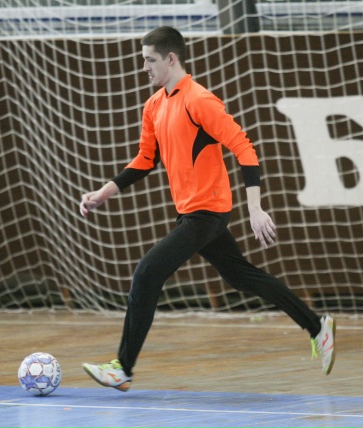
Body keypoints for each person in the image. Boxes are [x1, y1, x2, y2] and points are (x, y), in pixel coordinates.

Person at [79, 26, 335, 392]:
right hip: (190, 211)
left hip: (208, 211)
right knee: (241, 276)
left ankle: (122, 368)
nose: (144, 67)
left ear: (171, 59)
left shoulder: (200, 100)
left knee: (147, 273)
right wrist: (105, 192)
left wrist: (255, 208)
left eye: (150, 60)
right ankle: (317, 325)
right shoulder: (154, 105)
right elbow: (145, 160)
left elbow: (244, 148)